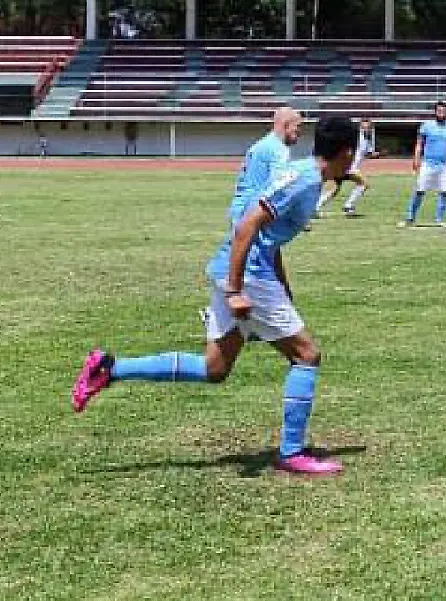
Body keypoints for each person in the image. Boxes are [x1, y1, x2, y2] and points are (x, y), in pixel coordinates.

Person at [71, 116, 360, 476]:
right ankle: (292, 452)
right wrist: (235, 290)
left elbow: (268, 236)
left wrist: (281, 286)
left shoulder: (305, 173)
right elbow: (247, 227)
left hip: (239, 268)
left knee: (214, 368)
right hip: (247, 276)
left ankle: (110, 368)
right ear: (347, 151)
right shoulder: (304, 181)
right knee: (306, 356)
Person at [228, 107, 302, 225]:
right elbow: (280, 185)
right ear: (286, 124)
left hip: (241, 207)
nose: (300, 132)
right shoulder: (278, 149)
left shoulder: (264, 144)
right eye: (297, 126)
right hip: (253, 212)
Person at [401, 101, 446, 227]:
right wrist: (416, 159)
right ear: (435, 112)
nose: (441, 113)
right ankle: (410, 218)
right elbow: (419, 144)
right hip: (428, 164)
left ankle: (439, 220)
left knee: (444, 192)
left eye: (443, 111)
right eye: (439, 111)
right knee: (420, 190)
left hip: (444, 165)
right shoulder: (426, 126)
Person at [317, 119, 376, 218]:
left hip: (349, 167)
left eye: (368, 127)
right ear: (360, 127)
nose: (366, 129)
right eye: (364, 127)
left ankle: (316, 207)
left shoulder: (366, 139)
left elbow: (367, 153)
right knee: (363, 183)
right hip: (348, 167)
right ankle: (348, 205)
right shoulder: (355, 138)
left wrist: (379, 153)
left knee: (334, 189)